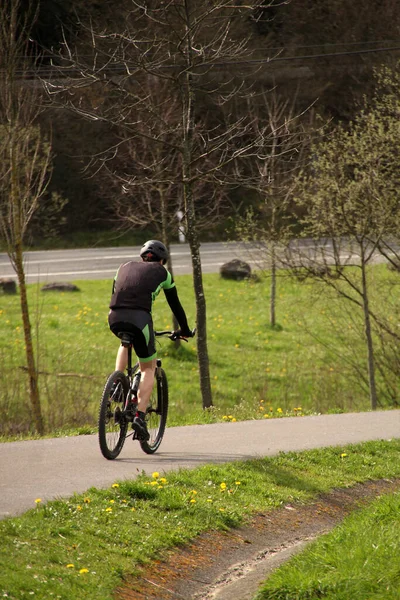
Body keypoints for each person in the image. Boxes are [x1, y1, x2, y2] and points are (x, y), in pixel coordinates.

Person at [108, 240, 193, 440]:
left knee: (125, 343)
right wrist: (185, 330)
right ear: (162, 260)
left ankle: (117, 384)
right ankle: (140, 416)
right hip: (140, 320)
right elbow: (175, 304)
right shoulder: (163, 273)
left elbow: (116, 292)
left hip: (114, 317)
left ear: (142, 256)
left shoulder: (123, 267)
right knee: (148, 367)